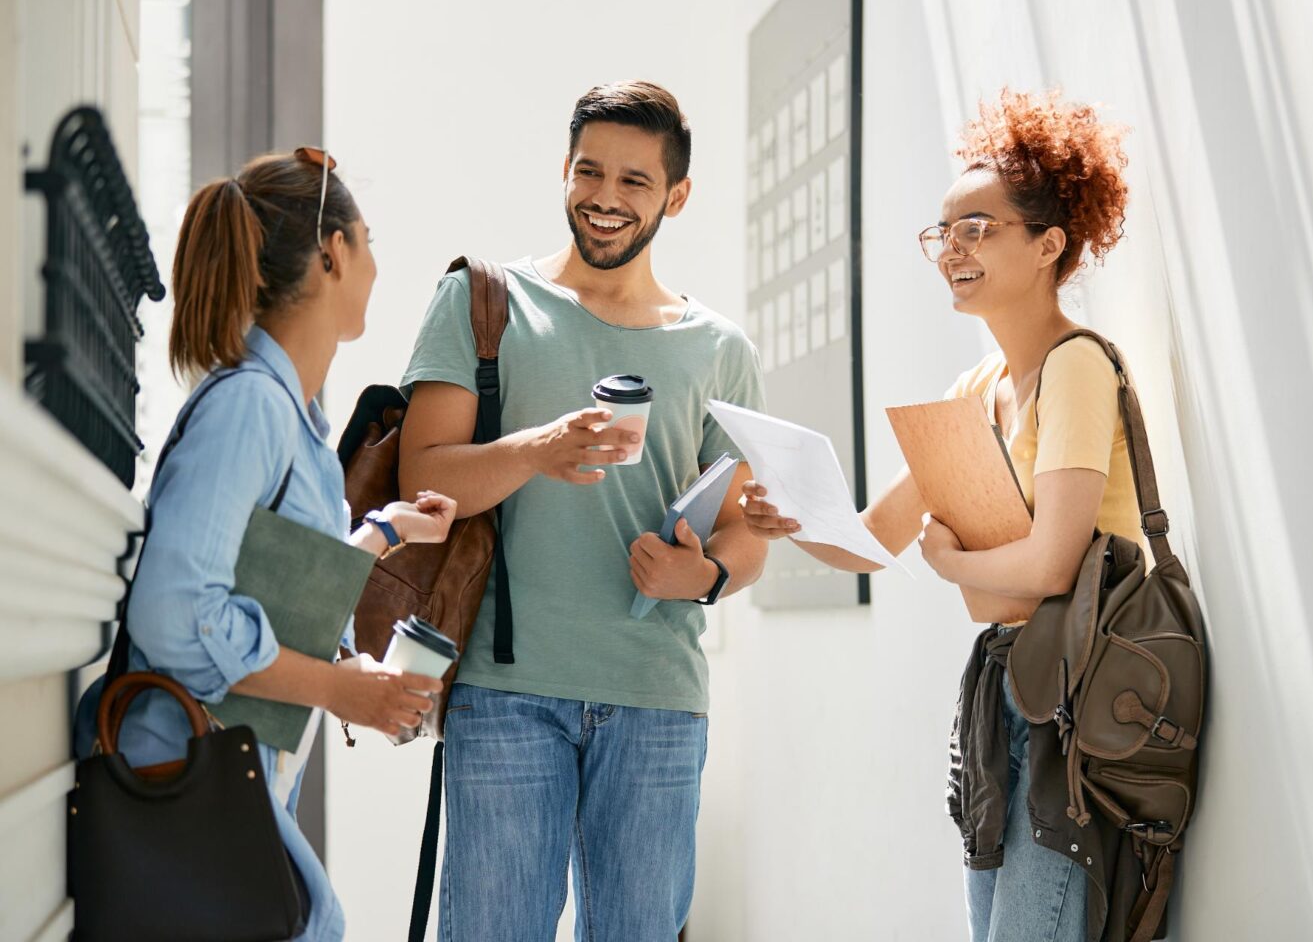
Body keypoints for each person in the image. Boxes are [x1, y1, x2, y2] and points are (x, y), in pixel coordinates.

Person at [740, 89, 1138, 942]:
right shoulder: (974, 392)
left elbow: (1051, 566)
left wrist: (951, 564)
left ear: (1049, 244)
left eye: (978, 229)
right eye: (943, 233)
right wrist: (788, 511)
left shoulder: (1077, 367)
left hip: (1077, 703)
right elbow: (870, 541)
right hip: (1007, 701)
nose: (951, 250)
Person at [397, 81, 767, 941]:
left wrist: (705, 574)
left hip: (658, 697)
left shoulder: (719, 350)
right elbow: (424, 480)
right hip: (504, 693)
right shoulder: (483, 304)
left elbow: (744, 528)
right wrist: (535, 450)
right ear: (563, 170)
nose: (605, 198)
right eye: (589, 171)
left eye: (635, 182)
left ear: (676, 195)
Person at [73, 149, 458, 941]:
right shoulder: (251, 406)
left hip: (216, 772)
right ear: (333, 253)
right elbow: (178, 611)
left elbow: (266, 571)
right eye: (369, 238)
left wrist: (383, 535)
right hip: (178, 772)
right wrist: (338, 689)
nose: (377, 264)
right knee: (315, 923)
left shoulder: (296, 420)